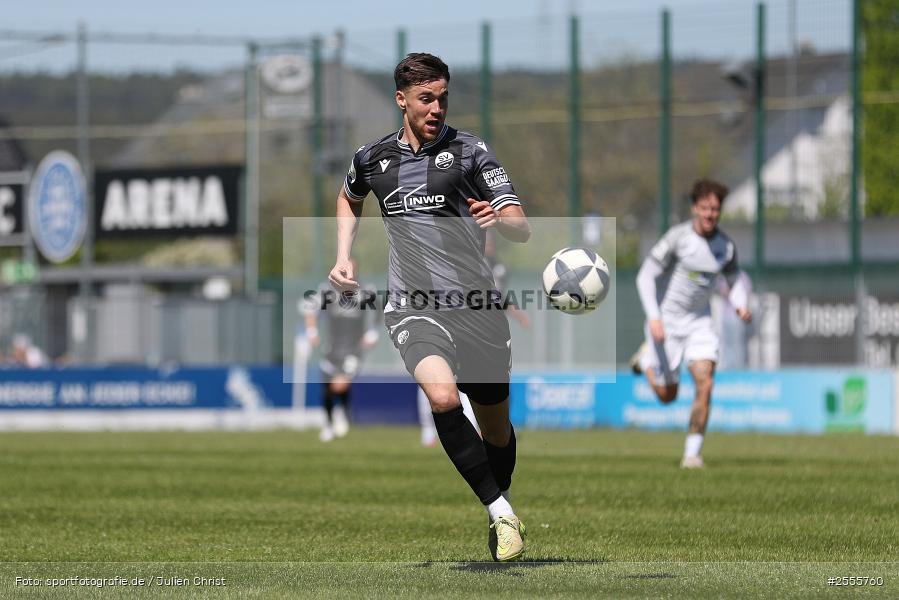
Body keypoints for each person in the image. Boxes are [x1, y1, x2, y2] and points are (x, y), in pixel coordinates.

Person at [329, 53, 531, 561]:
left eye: (442, 97)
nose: (436, 107)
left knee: (496, 428)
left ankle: (500, 495)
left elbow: (520, 224)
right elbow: (348, 197)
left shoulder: (470, 152)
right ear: (402, 100)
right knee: (442, 397)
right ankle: (500, 513)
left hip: (477, 308)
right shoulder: (372, 159)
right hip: (412, 305)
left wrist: (497, 216)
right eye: (426, 98)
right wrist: (343, 256)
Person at [633, 179, 752, 469]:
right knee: (667, 396)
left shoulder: (726, 246)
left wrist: (740, 303)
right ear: (694, 208)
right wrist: (655, 318)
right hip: (667, 322)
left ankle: (692, 454)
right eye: (705, 208)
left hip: (700, 323)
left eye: (715, 209)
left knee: (706, 383)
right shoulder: (678, 238)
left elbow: (735, 282)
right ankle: (646, 361)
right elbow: (645, 276)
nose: (710, 214)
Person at [302, 263, 381, 442]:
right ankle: (329, 422)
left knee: (341, 383)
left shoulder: (365, 290)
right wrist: (311, 331)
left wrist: (372, 333)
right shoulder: (327, 291)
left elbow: (379, 310)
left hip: (354, 347)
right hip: (332, 346)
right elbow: (310, 309)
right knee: (327, 386)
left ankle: (341, 415)